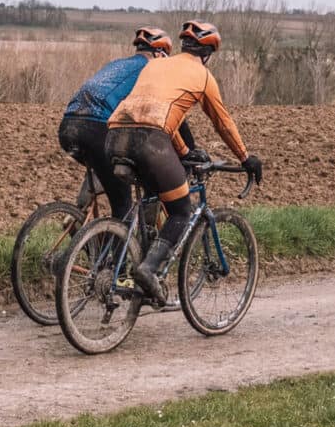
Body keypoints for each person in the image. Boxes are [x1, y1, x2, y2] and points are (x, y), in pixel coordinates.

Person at [106, 20, 263, 300]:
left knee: (148, 200)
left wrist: (184, 152)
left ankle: (125, 266)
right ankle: (148, 270)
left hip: (114, 132)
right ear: (208, 54)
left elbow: (158, 113)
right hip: (150, 140)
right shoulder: (202, 76)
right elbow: (222, 123)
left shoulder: (155, 65)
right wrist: (245, 157)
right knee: (181, 211)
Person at [58, 27, 181, 222]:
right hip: (97, 128)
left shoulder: (117, 64)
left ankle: (81, 218)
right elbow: (167, 113)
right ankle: (118, 250)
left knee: (104, 166)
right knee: (123, 201)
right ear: (160, 54)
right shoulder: (151, 70)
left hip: (68, 126)